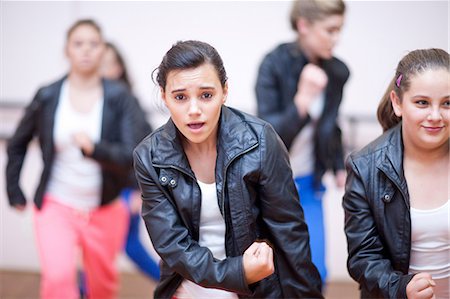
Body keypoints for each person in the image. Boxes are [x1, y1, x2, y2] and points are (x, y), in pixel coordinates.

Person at [133, 40, 323, 299]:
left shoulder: (261, 141)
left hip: (257, 289)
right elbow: (172, 246)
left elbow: (290, 234)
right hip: (188, 288)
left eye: (206, 95)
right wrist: (239, 272)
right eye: (180, 97)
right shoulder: (149, 157)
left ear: (225, 91)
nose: (194, 110)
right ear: (164, 96)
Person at [6, 19, 143, 299]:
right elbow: (18, 142)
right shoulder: (48, 95)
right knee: (58, 280)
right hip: (56, 204)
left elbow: (132, 153)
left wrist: (95, 149)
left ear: (103, 50)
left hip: (105, 208)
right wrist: (13, 188)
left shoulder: (119, 97)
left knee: (102, 288)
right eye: (78, 44)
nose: (86, 51)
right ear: (67, 50)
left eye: (93, 44)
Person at [255, 0, 349, 284]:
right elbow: (268, 137)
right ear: (303, 25)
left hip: (309, 182)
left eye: (339, 30)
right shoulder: (273, 64)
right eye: (330, 30)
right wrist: (303, 99)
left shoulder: (337, 72)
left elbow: (330, 125)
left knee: (316, 273)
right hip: (269, 185)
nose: (336, 38)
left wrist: (337, 165)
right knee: (268, 274)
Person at [343, 48, 449, 299]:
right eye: (422, 102)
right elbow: (363, 257)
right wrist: (401, 287)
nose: (435, 116)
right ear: (397, 103)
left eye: (447, 103)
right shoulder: (365, 167)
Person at [101, 41, 160, 281]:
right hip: (103, 190)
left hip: (126, 189)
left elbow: (141, 148)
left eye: (107, 63)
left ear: (118, 69)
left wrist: (139, 190)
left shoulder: (127, 102)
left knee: (128, 246)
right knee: (106, 245)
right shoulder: (91, 104)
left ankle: (172, 286)